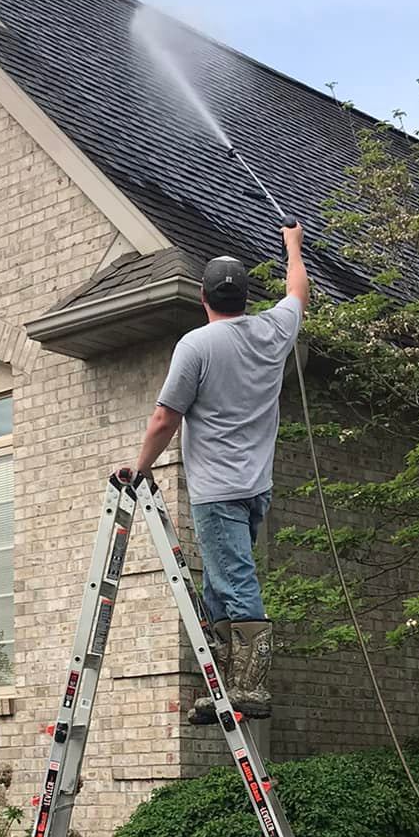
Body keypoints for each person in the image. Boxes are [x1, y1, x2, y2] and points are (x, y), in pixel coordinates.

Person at [128, 221, 309, 722]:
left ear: (204, 298)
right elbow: (298, 290)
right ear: (246, 298)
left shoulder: (196, 346)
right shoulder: (273, 330)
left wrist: (139, 469)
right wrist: (292, 246)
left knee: (234, 580)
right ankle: (224, 686)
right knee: (219, 584)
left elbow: (166, 417)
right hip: (256, 487)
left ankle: (249, 687)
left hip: (217, 489)